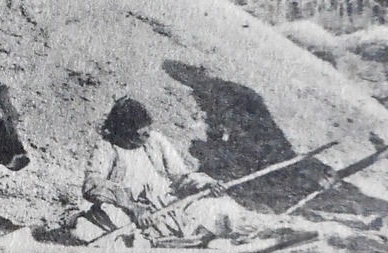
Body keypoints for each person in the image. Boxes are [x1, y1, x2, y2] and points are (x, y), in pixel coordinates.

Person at [74, 96, 257, 243]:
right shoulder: (107, 148)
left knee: (222, 208)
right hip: (129, 211)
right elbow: (92, 184)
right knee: (90, 227)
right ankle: (188, 238)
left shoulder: (155, 141)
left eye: (148, 130)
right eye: (141, 132)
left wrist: (206, 186)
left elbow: (181, 177)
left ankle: (188, 235)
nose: (147, 134)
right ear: (125, 131)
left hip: (169, 205)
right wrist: (132, 206)